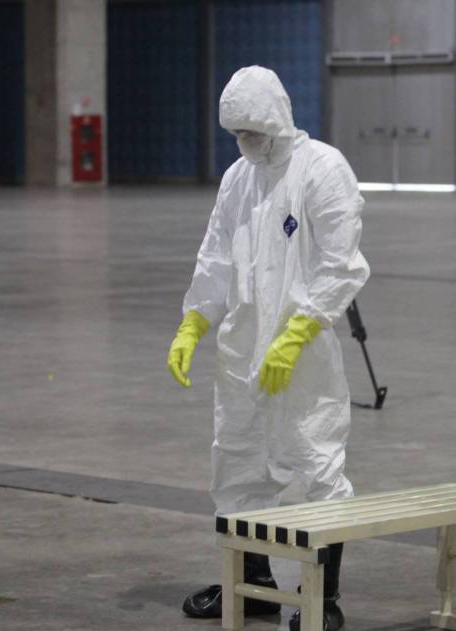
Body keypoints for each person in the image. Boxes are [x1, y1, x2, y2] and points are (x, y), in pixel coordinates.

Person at [167, 65, 368, 630]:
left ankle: (319, 597)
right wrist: (193, 322)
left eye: (252, 132)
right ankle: (251, 582)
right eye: (237, 134)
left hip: (300, 357)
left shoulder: (322, 169)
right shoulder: (239, 177)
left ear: (276, 119)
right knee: (238, 462)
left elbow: (342, 264)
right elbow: (215, 257)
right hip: (240, 352)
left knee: (313, 461)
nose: (245, 143)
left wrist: (299, 332)